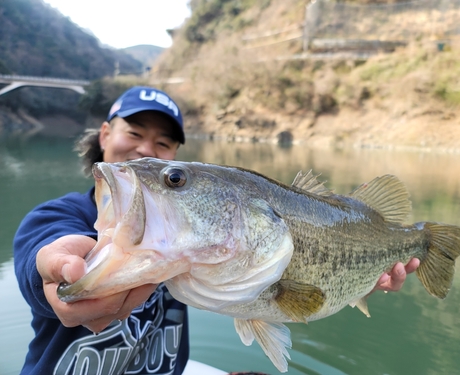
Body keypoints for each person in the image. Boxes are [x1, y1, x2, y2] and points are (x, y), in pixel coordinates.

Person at [13, 85, 419, 375]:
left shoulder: (186, 244)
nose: (145, 151)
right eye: (133, 134)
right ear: (105, 135)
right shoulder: (55, 216)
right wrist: (53, 277)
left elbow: (290, 294)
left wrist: (361, 275)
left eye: (166, 152)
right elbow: (42, 259)